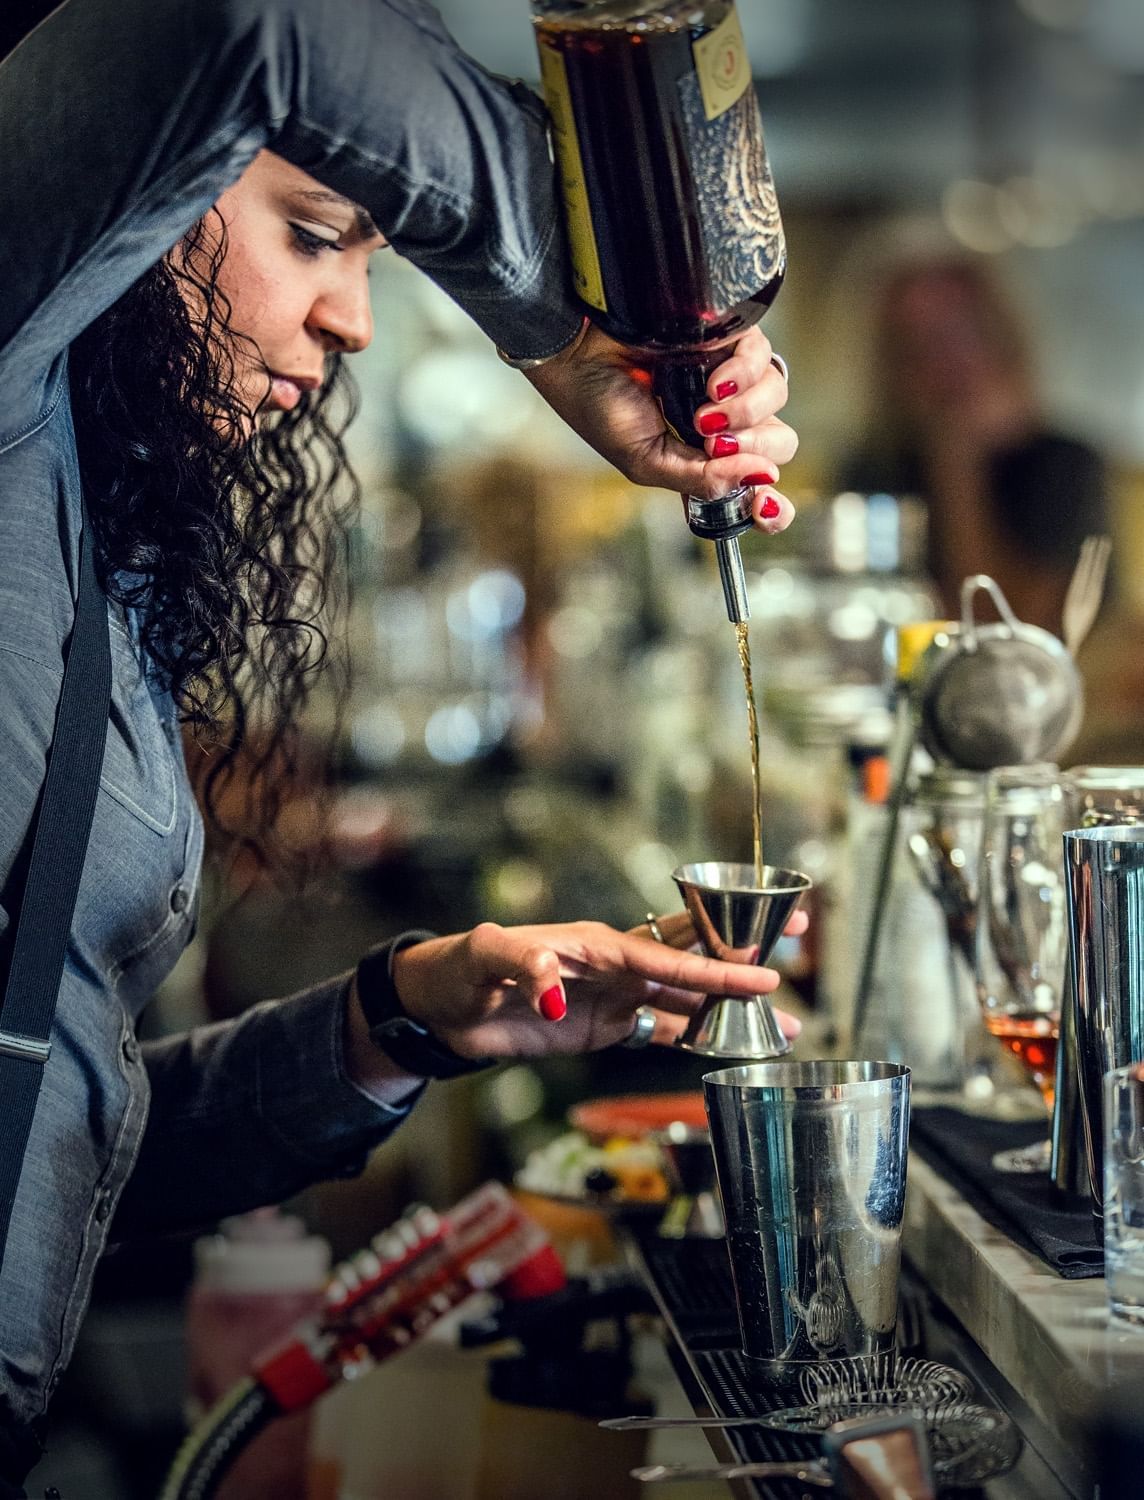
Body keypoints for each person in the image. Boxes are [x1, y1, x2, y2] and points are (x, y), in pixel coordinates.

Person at [0, 0, 803, 1487]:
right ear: (136, 194)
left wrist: (402, 1020)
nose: (354, 320)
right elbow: (255, 22)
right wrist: (584, 319)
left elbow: (51, 1154)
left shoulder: (74, 536)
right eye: (313, 234)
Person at [837, 248, 1109, 633]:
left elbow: (1020, 631)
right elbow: (864, 624)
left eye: (958, 334)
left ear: (1000, 338)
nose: (943, 362)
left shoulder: (1065, 465)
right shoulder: (873, 472)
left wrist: (957, 463)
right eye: (916, 344)